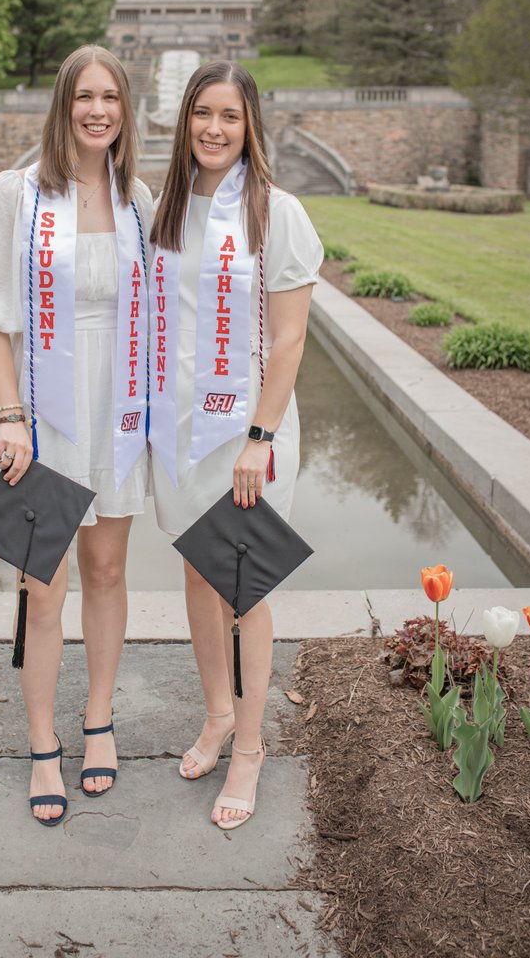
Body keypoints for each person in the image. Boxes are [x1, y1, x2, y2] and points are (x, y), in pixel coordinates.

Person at [0, 46, 152, 825]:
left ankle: (97, 722)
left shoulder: (137, 197)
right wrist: (10, 418)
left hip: (119, 408)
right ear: (62, 105)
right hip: (41, 412)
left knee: (106, 574)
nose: (98, 110)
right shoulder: (19, 193)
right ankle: (42, 741)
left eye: (111, 98)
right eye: (84, 97)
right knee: (44, 588)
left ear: (125, 109)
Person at [149, 61, 322, 830]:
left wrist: (258, 438)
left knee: (245, 593)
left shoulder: (276, 213)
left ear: (251, 125)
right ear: (184, 121)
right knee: (197, 575)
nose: (214, 129)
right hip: (183, 430)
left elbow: (288, 342)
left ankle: (249, 747)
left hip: (251, 435)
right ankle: (218, 714)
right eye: (201, 114)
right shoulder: (170, 207)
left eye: (229, 115)